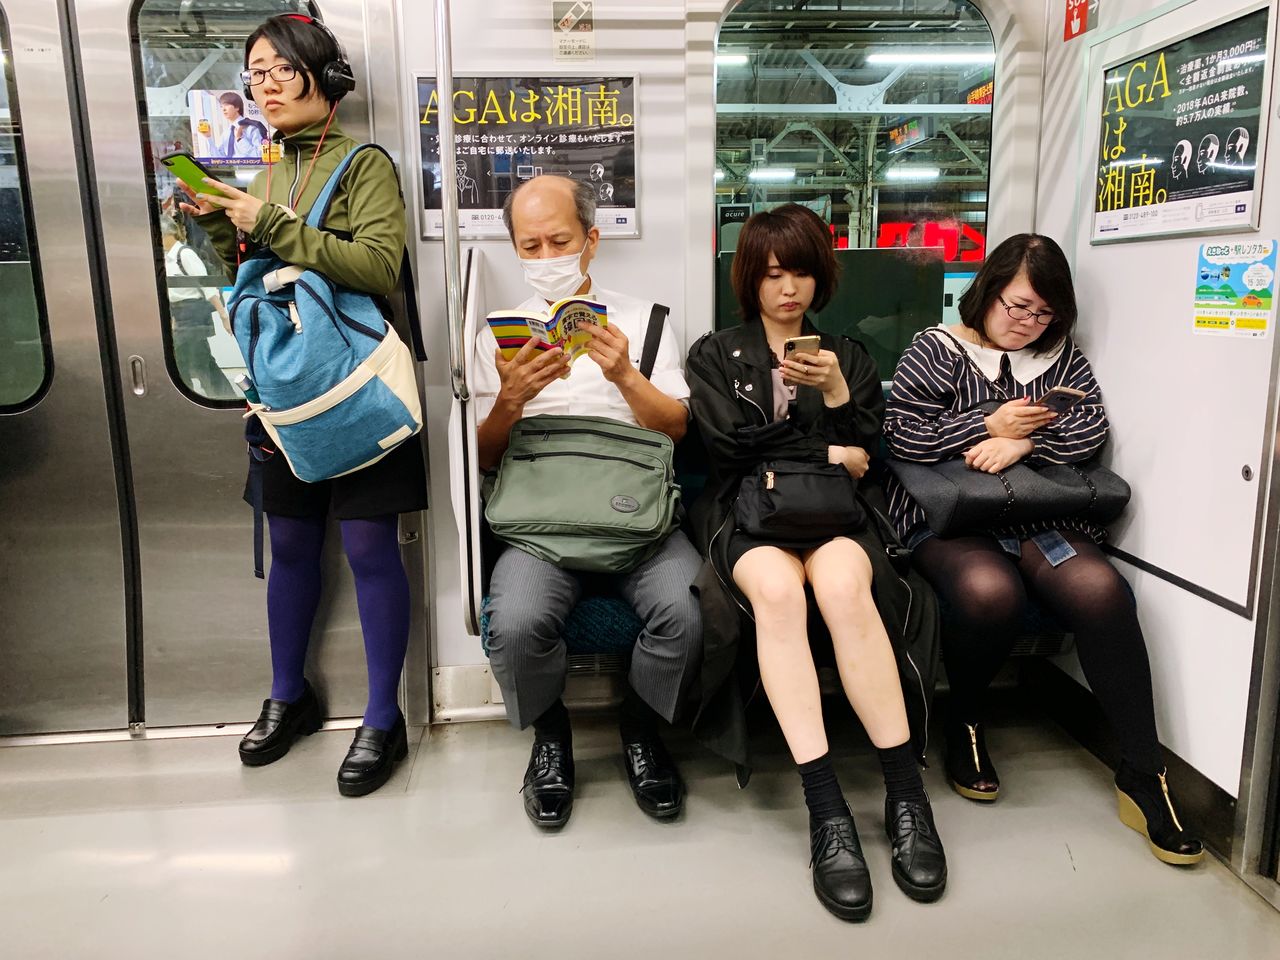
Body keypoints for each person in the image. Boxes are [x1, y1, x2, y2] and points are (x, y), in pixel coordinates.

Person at [883, 233, 1204, 865]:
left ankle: (1143, 772)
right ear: (987, 289)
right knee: (988, 591)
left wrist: (1022, 446)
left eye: (1043, 313)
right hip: (952, 515)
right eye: (1017, 306)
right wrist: (987, 424)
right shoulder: (937, 347)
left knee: (1101, 590)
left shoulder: (1058, 357)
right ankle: (966, 721)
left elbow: (1089, 429)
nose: (1027, 324)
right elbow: (905, 437)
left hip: (1035, 511)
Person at [179, 13, 427, 797]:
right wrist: (222, 228)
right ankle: (290, 694)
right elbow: (252, 276)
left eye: (282, 69)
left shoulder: (363, 164)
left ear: (325, 75)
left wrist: (272, 222)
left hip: (353, 390)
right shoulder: (264, 172)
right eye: (255, 73)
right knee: (290, 547)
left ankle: (383, 716)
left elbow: (378, 266)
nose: (267, 86)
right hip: (285, 391)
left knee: (366, 550)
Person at [685, 204, 947, 921]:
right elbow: (730, 452)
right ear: (749, 279)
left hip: (832, 518)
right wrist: (828, 443)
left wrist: (832, 395)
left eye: (799, 270)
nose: (787, 287)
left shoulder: (849, 357)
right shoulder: (715, 354)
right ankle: (826, 809)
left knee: (840, 584)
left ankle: (906, 795)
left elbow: (872, 453)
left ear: (819, 275)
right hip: (747, 516)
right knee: (776, 590)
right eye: (771, 273)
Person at [475, 174, 701, 828]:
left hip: (637, 517)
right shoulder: (498, 335)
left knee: (688, 611)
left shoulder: (647, 323)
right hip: (538, 521)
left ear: (592, 240)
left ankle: (641, 727)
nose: (546, 258)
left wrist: (625, 374)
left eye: (560, 241)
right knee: (513, 621)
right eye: (530, 245)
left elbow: (677, 430)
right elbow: (486, 458)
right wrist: (511, 399)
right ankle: (551, 737)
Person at [159, 214, 236, 400]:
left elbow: (207, 287)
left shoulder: (184, 254)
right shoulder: (168, 258)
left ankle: (217, 397)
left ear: (168, 234)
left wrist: (224, 316)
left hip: (193, 315)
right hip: (181, 315)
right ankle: (218, 395)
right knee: (194, 361)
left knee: (196, 361)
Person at [218, 91, 267, 160]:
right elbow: (219, 157)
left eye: (226, 105)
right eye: (221, 106)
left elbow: (260, 155)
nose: (223, 109)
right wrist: (208, 138)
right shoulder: (226, 132)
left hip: (251, 169)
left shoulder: (252, 128)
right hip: (230, 169)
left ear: (237, 107)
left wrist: (240, 139)